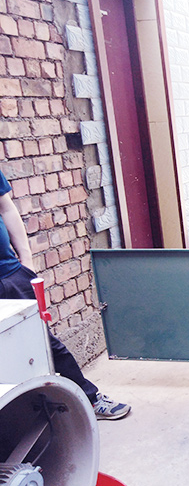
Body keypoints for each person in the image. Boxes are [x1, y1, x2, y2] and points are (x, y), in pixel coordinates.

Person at [0, 168, 130, 420]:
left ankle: (90, 399)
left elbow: (6, 209)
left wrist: (26, 262)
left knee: (44, 342)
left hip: (11, 274)